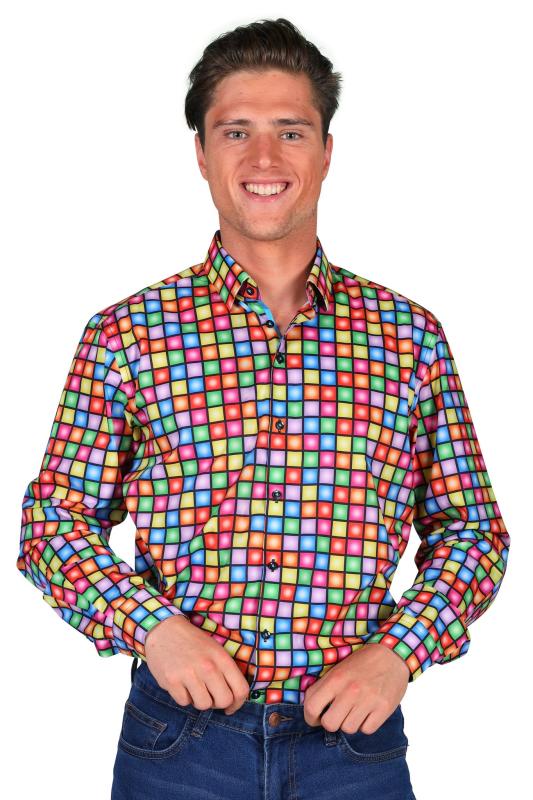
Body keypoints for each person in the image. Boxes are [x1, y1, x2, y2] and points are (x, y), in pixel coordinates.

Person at [16, 17, 510, 800]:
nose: (264, 158)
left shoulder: (408, 337)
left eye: (290, 130)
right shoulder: (127, 335)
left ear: (326, 151)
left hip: (353, 750)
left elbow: (472, 532)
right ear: (201, 153)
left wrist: (399, 652)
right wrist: (154, 629)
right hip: (180, 746)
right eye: (236, 131)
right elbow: (53, 523)